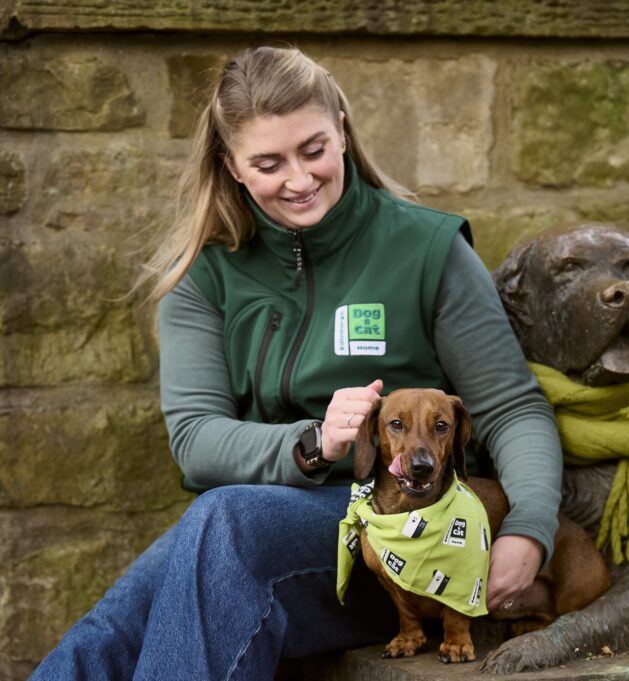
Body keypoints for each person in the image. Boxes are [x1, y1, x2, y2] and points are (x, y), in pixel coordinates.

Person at [30, 45, 564, 680]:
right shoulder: (203, 271)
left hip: (407, 536)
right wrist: (311, 442)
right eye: (267, 162)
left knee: (221, 525)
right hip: (262, 532)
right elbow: (196, 439)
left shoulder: (428, 250)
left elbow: (512, 408)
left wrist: (528, 530)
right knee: (118, 626)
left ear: (341, 126)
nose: (299, 179)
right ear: (230, 166)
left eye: (313, 149)